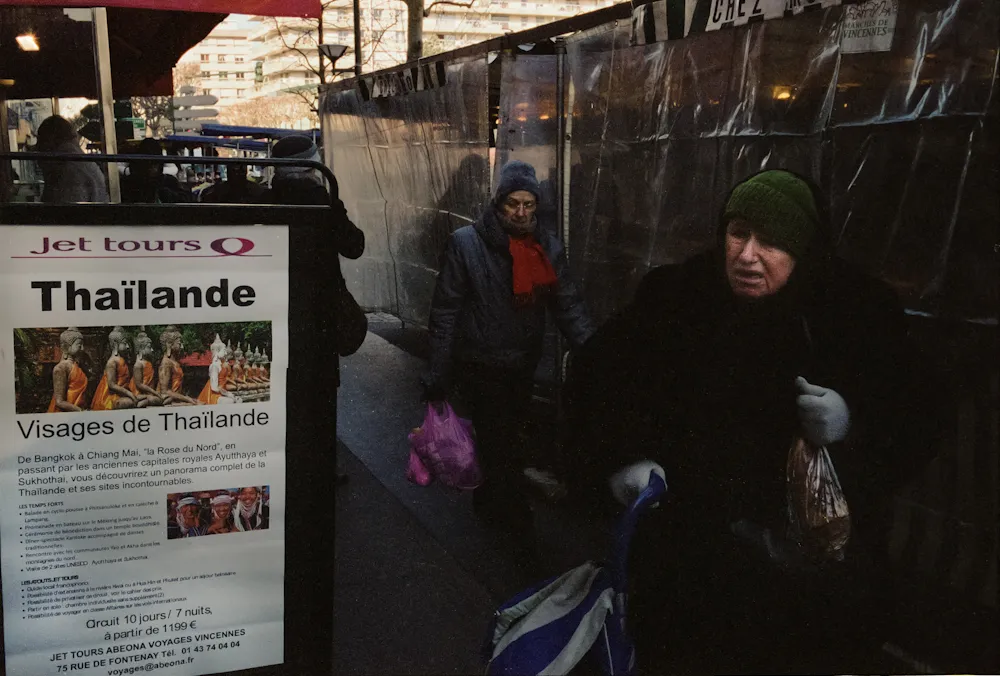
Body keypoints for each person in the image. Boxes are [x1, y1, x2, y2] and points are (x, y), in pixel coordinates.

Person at [569, 169, 939, 674]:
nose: (747, 255)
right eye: (738, 232)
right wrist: (622, 463)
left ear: (805, 249)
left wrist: (851, 424)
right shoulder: (675, 298)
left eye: (772, 242)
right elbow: (597, 379)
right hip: (689, 577)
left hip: (808, 590)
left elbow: (921, 415)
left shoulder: (856, 312)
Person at [424, 160, 595, 534]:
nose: (520, 213)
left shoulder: (546, 248)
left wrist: (594, 354)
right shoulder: (466, 244)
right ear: (498, 204)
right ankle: (516, 526)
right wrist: (437, 371)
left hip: (522, 364)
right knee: (501, 443)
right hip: (480, 364)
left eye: (528, 205)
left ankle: (489, 500)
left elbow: (568, 305)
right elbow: (446, 311)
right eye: (512, 204)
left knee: (503, 440)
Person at [34, 115, 107, 203]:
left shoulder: (66, 170)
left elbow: (64, 212)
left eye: (40, 140)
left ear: (48, 141)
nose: (37, 147)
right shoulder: (81, 162)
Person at [120, 139, 192, 204]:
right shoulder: (168, 181)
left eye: (155, 164)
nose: (153, 169)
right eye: (149, 165)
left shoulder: (168, 182)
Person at [199, 163, 268, 204]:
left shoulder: (257, 190)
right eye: (234, 171)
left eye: (240, 171)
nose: (237, 174)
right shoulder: (216, 190)